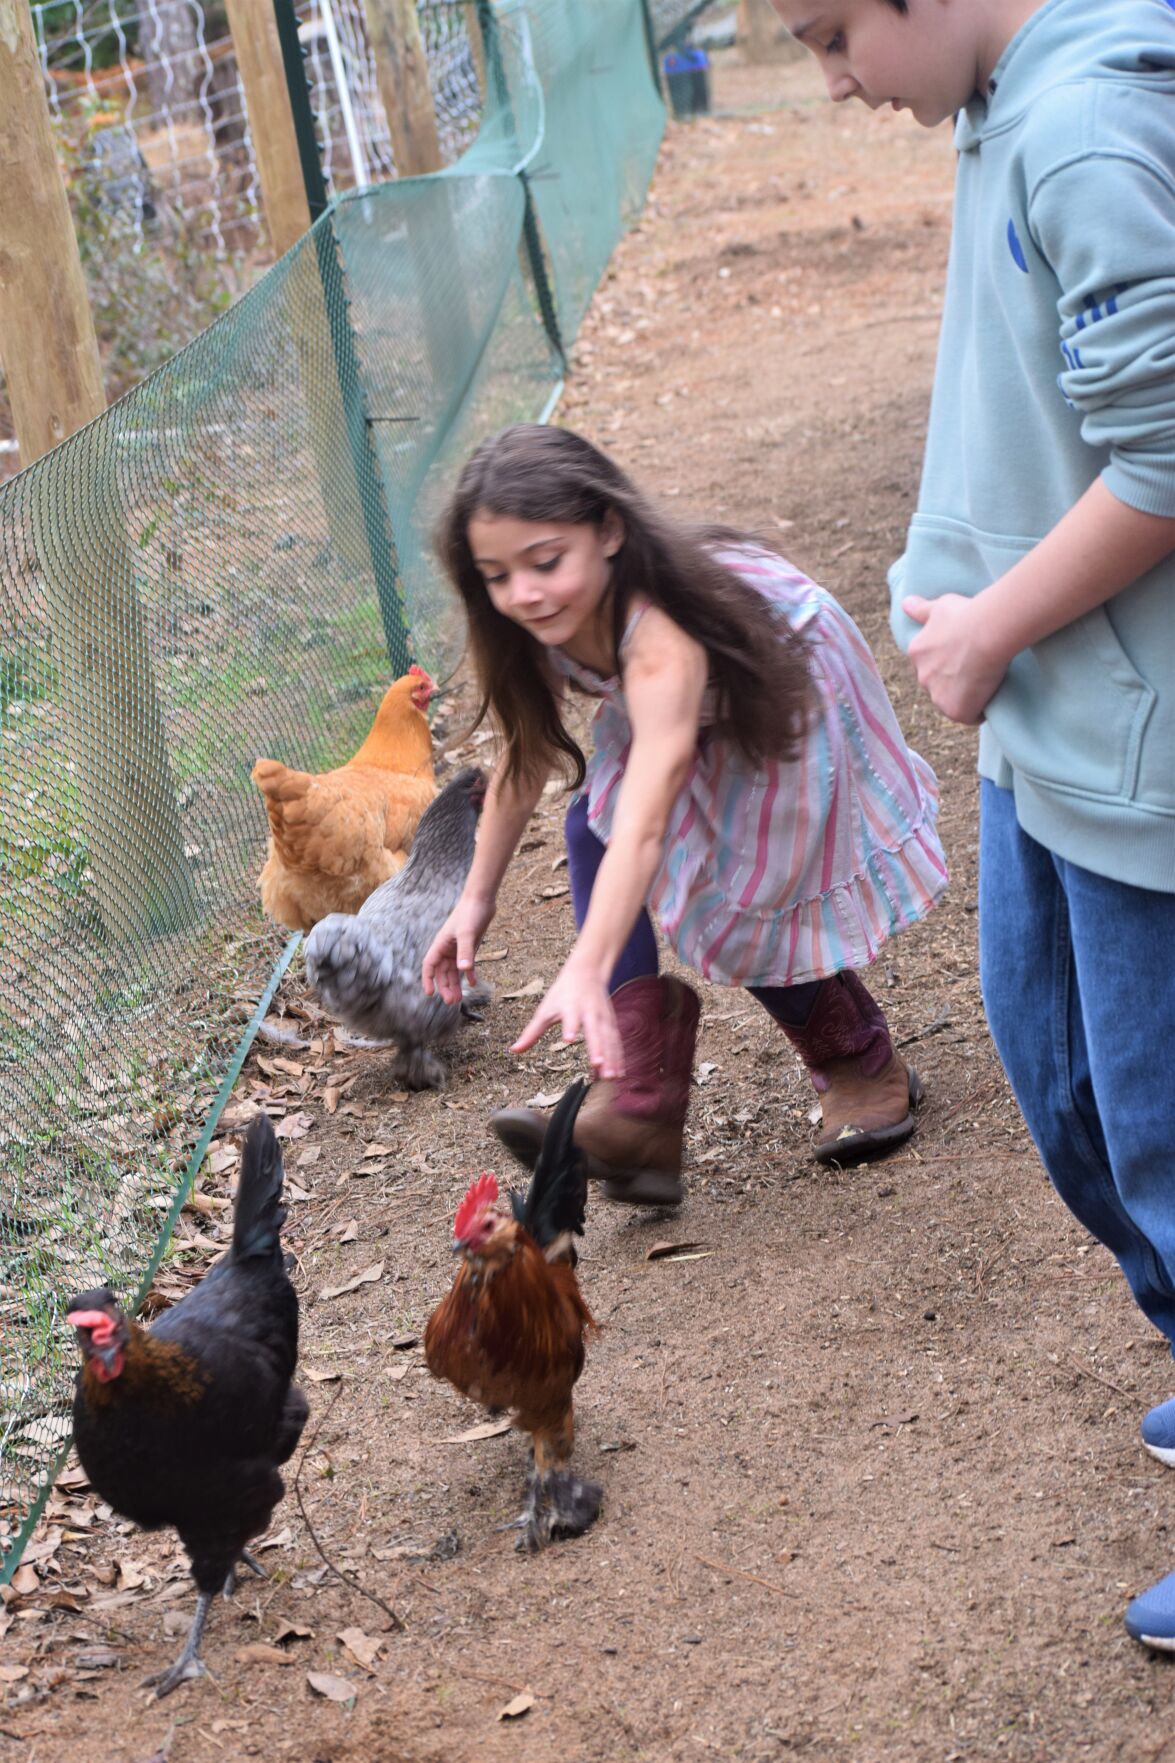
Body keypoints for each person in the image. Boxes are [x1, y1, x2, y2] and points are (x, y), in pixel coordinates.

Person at [769, 0, 1175, 1646]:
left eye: (832, 35)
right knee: (1069, 1093)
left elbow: (1165, 445)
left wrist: (995, 619)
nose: (836, 81)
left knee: (1158, 1135)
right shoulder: (997, 100)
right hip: (1045, 731)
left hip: (1131, 753)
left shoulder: (1083, 126)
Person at [421, 423, 947, 1207]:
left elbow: (647, 822)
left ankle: (857, 1057)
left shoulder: (659, 635)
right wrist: (474, 899)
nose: (523, 592)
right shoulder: (533, 619)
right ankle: (637, 1104)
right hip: (686, 708)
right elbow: (526, 755)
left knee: (738, 883)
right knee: (589, 827)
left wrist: (591, 963)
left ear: (608, 530)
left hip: (786, 688)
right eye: (496, 574)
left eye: (545, 561)